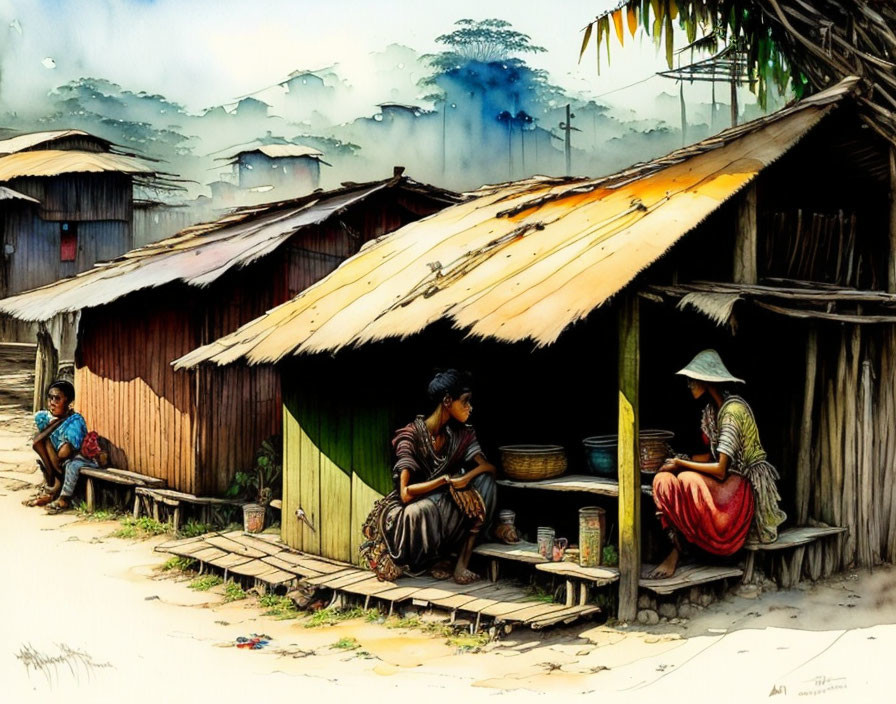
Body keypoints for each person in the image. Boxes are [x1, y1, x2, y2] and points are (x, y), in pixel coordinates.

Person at [648, 350, 786, 578]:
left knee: (686, 480)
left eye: (693, 379)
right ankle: (678, 546)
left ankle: (679, 551)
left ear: (706, 381)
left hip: (740, 489)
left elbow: (721, 470)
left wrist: (681, 464)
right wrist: (679, 460)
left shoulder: (733, 412)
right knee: (664, 481)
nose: (689, 384)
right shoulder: (713, 411)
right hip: (724, 482)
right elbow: (712, 456)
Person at [361, 370, 497, 584]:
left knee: (485, 483)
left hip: (446, 501)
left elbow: (488, 467)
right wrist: (445, 481)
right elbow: (405, 494)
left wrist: (465, 479)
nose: (470, 408)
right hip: (411, 512)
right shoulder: (411, 436)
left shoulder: (461, 434)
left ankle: (461, 563)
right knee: (425, 509)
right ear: (447, 400)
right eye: (465, 402)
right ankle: (433, 560)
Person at [27, 380, 97, 514]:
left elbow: (64, 453)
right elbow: (38, 443)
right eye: (50, 398)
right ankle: (52, 492)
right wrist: (56, 422)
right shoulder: (48, 419)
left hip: (78, 459)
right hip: (59, 463)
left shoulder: (75, 421)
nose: (52, 402)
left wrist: (60, 421)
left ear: (69, 404)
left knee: (72, 464)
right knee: (41, 442)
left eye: (57, 399)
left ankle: (63, 498)